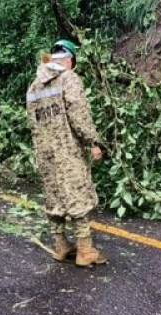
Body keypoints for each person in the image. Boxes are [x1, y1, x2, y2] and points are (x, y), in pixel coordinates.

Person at [25, 39, 107, 268]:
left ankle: (61, 246)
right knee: (77, 195)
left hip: (45, 152)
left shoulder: (33, 87)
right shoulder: (68, 78)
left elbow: (33, 124)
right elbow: (78, 115)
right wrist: (92, 141)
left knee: (55, 197)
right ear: (69, 60)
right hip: (68, 151)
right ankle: (85, 251)